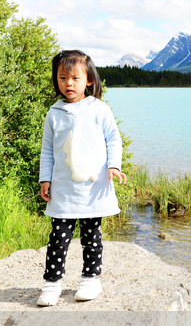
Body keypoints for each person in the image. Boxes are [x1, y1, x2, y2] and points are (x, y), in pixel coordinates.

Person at [36, 50, 127, 307]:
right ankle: (52, 284)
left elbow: (114, 139)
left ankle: (91, 279)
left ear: (89, 80)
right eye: (63, 78)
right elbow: (47, 149)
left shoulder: (98, 109)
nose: (69, 83)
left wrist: (113, 166)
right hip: (64, 189)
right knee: (58, 238)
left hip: (92, 188)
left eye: (75, 78)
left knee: (92, 237)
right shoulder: (54, 113)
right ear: (57, 80)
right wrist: (45, 178)